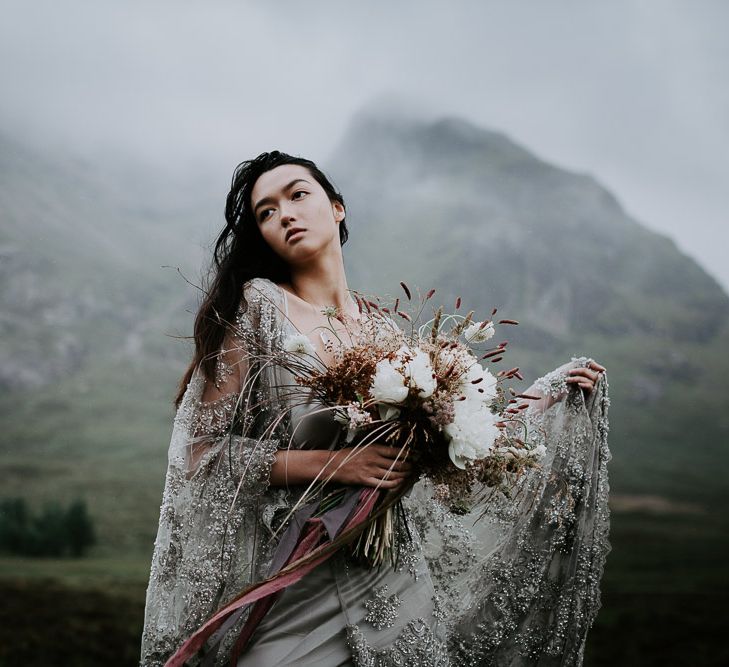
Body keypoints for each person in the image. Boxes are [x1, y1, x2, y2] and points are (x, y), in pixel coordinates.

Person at [140, 151, 611, 666]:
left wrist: (539, 401)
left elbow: (440, 453)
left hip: (391, 580)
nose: (285, 215)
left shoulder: (384, 334)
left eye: (298, 195)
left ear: (337, 208)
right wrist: (337, 466)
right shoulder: (258, 310)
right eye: (266, 212)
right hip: (299, 577)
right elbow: (200, 453)